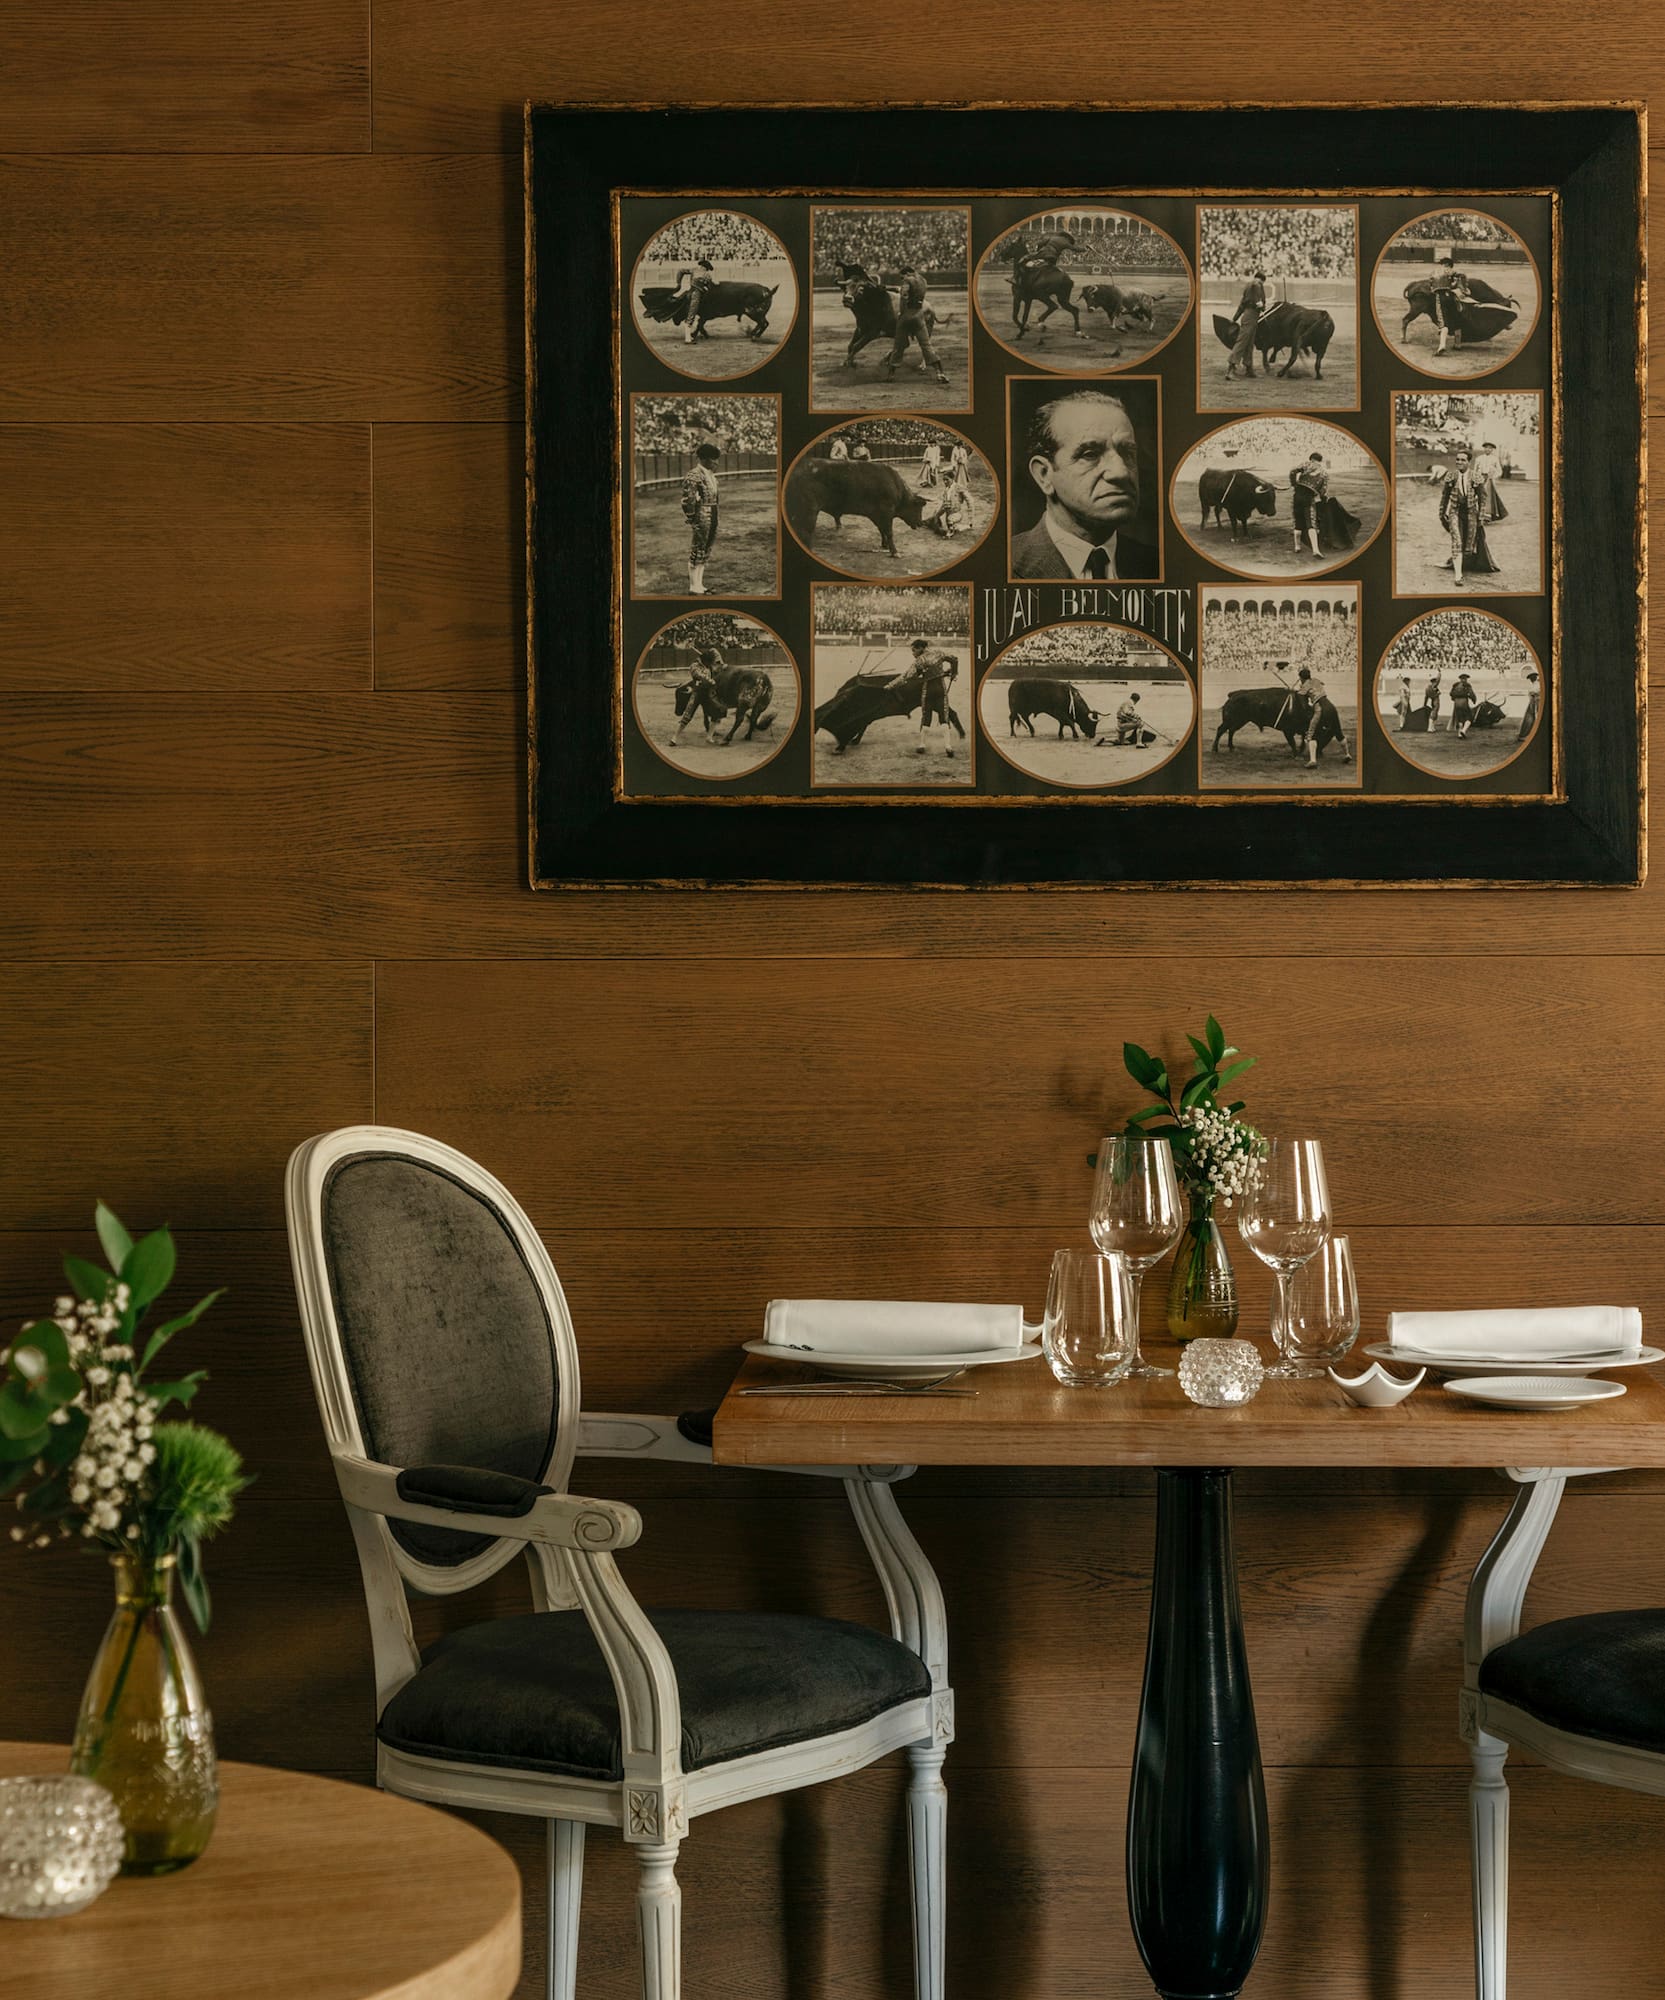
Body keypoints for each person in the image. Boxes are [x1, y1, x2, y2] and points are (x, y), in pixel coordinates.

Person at [1011, 389, 1158, 580]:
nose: (1121, 472)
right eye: (1090, 454)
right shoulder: (1001, 565)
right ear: (1044, 475)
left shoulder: (1156, 564)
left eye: (1127, 453)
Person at [887, 636, 959, 758]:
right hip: (940, 688)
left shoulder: (919, 661)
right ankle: (948, 746)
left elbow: (906, 676)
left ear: (920, 648)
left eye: (914, 650)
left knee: (926, 715)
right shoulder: (939, 653)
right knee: (944, 715)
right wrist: (953, 673)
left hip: (928, 689)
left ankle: (922, 744)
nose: (913, 653)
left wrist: (890, 685)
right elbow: (954, 659)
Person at [1437, 448, 1499, 587]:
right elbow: (1445, 496)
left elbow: (1483, 498)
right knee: (1457, 541)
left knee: (1469, 545)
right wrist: (1442, 513)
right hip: (1455, 511)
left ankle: (1465, 564)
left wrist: (1481, 516)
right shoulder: (1451, 476)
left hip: (1471, 512)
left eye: (1463, 460)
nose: (1459, 462)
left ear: (1469, 462)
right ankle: (1458, 575)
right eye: (1458, 459)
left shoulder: (1476, 477)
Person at [884, 263, 950, 387]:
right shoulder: (922, 280)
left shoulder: (907, 281)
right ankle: (939, 372)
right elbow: (904, 290)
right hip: (919, 315)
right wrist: (887, 288)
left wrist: (902, 313)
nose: (902, 279)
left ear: (907, 274)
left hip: (906, 316)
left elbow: (903, 295)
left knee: (898, 346)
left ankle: (891, 374)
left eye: (902, 277)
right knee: (926, 345)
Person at [680, 441, 722, 596]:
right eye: (714, 459)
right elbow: (687, 499)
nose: (717, 463)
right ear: (705, 459)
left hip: (713, 513)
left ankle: (700, 585)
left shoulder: (711, 476)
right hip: (702, 515)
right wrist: (692, 518)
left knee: (706, 549)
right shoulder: (694, 475)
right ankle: (693, 586)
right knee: (698, 549)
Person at [1296, 665, 1349, 766]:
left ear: (1302, 678)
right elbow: (1320, 684)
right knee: (1338, 732)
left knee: (1311, 734)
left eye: (1300, 679)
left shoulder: (1304, 686)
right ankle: (1347, 754)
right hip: (1331, 707)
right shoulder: (1316, 680)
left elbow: (1301, 699)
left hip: (1320, 709)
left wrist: (1299, 689)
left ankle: (1313, 760)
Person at [1226, 269, 1269, 381]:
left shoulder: (1248, 286)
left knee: (1249, 342)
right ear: (1262, 279)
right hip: (1252, 315)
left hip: (1247, 314)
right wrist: (1263, 307)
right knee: (1243, 341)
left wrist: (1235, 318)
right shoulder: (1257, 285)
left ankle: (1249, 368)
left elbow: (1242, 304)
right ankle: (1231, 370)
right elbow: (1259, 303)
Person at [674, 645, 722, 742]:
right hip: (697, 692)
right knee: (688, 715)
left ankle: (709, 736)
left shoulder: (709, 666)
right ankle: (674, 737)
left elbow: (718, 664)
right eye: (710, 661)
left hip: (707, 694)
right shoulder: (694, 666)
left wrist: (721, 664)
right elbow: (700, 676)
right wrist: (711, 681)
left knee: (717, 712)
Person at [1290, 452, 1329, 560]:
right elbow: (1323, 492)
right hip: (1309, 498)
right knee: (1311, 523)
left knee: (1297, 521)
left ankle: (1297, 546)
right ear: (1320, 460)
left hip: (1297, 496)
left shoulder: (1306, 464)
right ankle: (1315, 550)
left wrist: (1294, 484)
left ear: (1311, 458)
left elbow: (1292, 471)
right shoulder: (1324, 473)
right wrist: (1323, 501)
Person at [672, 256, 716, 345]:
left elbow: (680, 271)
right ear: (706, 268)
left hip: (688, 293)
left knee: (690, 314)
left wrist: (678, 284)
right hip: (696, 295)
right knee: (691, 315)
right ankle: (688, 339)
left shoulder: (694, 269)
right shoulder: (707, 275)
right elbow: (710, 287)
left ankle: (690, 336)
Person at [1471, 439, 1509, 523]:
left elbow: (1500, 471)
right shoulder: (1479, 458)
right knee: (1478, 496)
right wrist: (1475, 478)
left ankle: (1486, 516)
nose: (1487, 450)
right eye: (1486, 448)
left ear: (1492, 450)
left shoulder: (1495, 459)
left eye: (1490, 448)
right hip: (1480, 478)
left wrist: (1493, 476)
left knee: (1488, 497)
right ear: (1483, 449)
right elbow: (1475, 470)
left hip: (1489, 479)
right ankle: (1477, 515)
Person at [1450, 670, 1478, 738]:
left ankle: (1459, 734)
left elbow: (1451, 694)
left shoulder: (1455, 685)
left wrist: (1454, 699)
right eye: (1465, 679)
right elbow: (1472, 694)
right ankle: (1463, 731)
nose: (1465, 680)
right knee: (1469, 717)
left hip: (1456, 703)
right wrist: (1474, 700)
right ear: (1465, 679)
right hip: (1464, 702)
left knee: (1460, 718)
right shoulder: (1467, 685)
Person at [1518, 666, 1541, 741]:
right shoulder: (1535, 684)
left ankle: (1532, 734)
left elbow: (1536, 693)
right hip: (1533, 702)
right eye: (1530, 678)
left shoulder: (1537, 684)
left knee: (1533, 716)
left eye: (1532, 677)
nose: (1531, 679)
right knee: (1531, 717)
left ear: (1534, 677)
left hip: (1536, 702)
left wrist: (1533, 695)